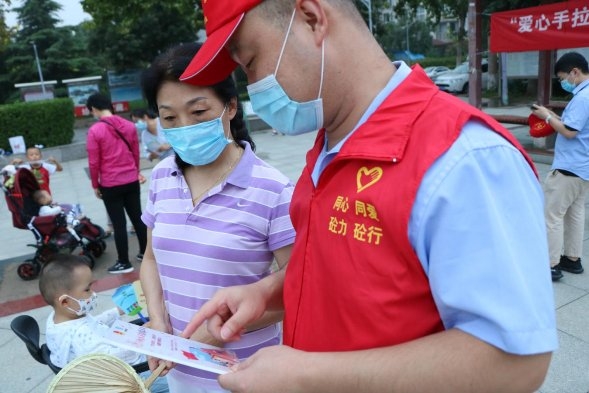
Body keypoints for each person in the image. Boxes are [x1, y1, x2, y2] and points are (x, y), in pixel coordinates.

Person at [180, 1, 558, 392]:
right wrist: (265, 293)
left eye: (252, 62)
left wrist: (307, 376)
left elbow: (515, 361)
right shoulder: (330, 146)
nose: (253, 88)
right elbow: (349, 270)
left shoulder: (463, 158)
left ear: (312, 18)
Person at [139, 41, 295, 392]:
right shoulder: (163, 177)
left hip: (246, 374)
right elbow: (150, 258)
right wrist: (158, 319)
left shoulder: (274, 190)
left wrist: (219, 331)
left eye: (198, 112)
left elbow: (298, 290)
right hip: (178, 369)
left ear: (231, 107)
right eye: (169, 118)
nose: (184, 126)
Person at [38, 254, 169, 393]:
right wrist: (142, 338)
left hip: (108, 363)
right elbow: (113, 359)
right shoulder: (82, 337)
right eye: (87, 289)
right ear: (65, 301)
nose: (93, 293)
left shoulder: (58, 319)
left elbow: (93, 322)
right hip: (133, 377)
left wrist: (118, 311)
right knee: (179, 375)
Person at [532, 52, 589, 282]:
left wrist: (546, 116)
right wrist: (555, 117)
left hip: (569, 167)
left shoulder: (583, 97)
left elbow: (569, 131)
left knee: (552, 216)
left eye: (563, 77)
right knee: (575, 213)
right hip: (583, 168)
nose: (563, 82)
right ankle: (572, 259)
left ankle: (550, 264)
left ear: (575, 72)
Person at [86, 93, 148, 274]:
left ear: (94, 109)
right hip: (130, 180)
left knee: (118, 223)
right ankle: (145, 253)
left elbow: (93, 162)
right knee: (138, 217)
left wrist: (95, 185)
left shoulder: (95, 130)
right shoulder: (129, 125)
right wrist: (135, 172)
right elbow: (135, 152)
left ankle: (124, 262)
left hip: (110, 183)